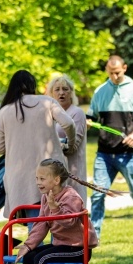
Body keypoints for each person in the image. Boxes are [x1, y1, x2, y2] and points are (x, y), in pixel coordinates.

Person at [0, 70, 76, 264]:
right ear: (32, 84)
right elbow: (68, 123)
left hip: (20, 176)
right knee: (58, 219)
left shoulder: (5, 111)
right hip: (51, 172)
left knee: (35, 223)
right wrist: (70, 142)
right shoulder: (47, 102)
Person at [15, 159, 99, 264]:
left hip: (79, 248)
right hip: (62, 245)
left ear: (56, 180)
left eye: (42, 178)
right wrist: (28, 245)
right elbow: (41, 224)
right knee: (29, 259)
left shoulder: (70, 197)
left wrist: (55, 209)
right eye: (36, 178)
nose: (38, 182)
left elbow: (69, 222)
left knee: (41, 260)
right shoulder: (46, 196)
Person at [86, 55, 133, 245]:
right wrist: (88, 122)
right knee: (98, 193)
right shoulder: (100, 91)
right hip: (104, 154)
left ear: (124, 68)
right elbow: (91, 116)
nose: (114, 76)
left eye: (117, 72)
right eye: (110, 72)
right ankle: (94, 235)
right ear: (107, 70)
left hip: (128, 154)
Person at [46, 74, 87, 204]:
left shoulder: (77, 113)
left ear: (71, 93)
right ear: (51, 93)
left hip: (72, 169)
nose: (61, 93)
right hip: (54, 172)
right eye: (57, 89)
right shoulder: (49, 114)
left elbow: (73, 146)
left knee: (73, 209)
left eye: (65, 89)